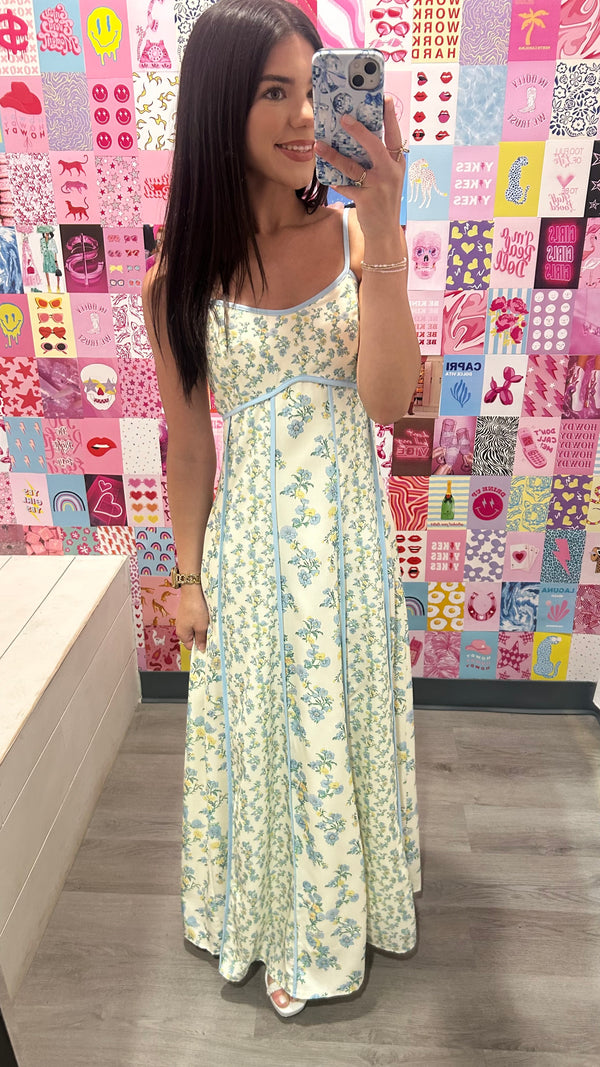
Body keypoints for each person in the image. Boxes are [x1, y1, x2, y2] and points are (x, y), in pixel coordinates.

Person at [142, 0, 422, 1020]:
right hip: (251, 560)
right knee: (266, 739)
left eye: (314, 87)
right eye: (274, 91)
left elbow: (389, 403)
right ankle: (266, 914)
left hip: (347, 551)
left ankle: (342, 912)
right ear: (222, 107)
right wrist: (186, 577)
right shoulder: (179, 280)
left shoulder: (353, 235)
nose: (306, 114)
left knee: (341, 728)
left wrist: (384, 227)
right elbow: (190, 446)